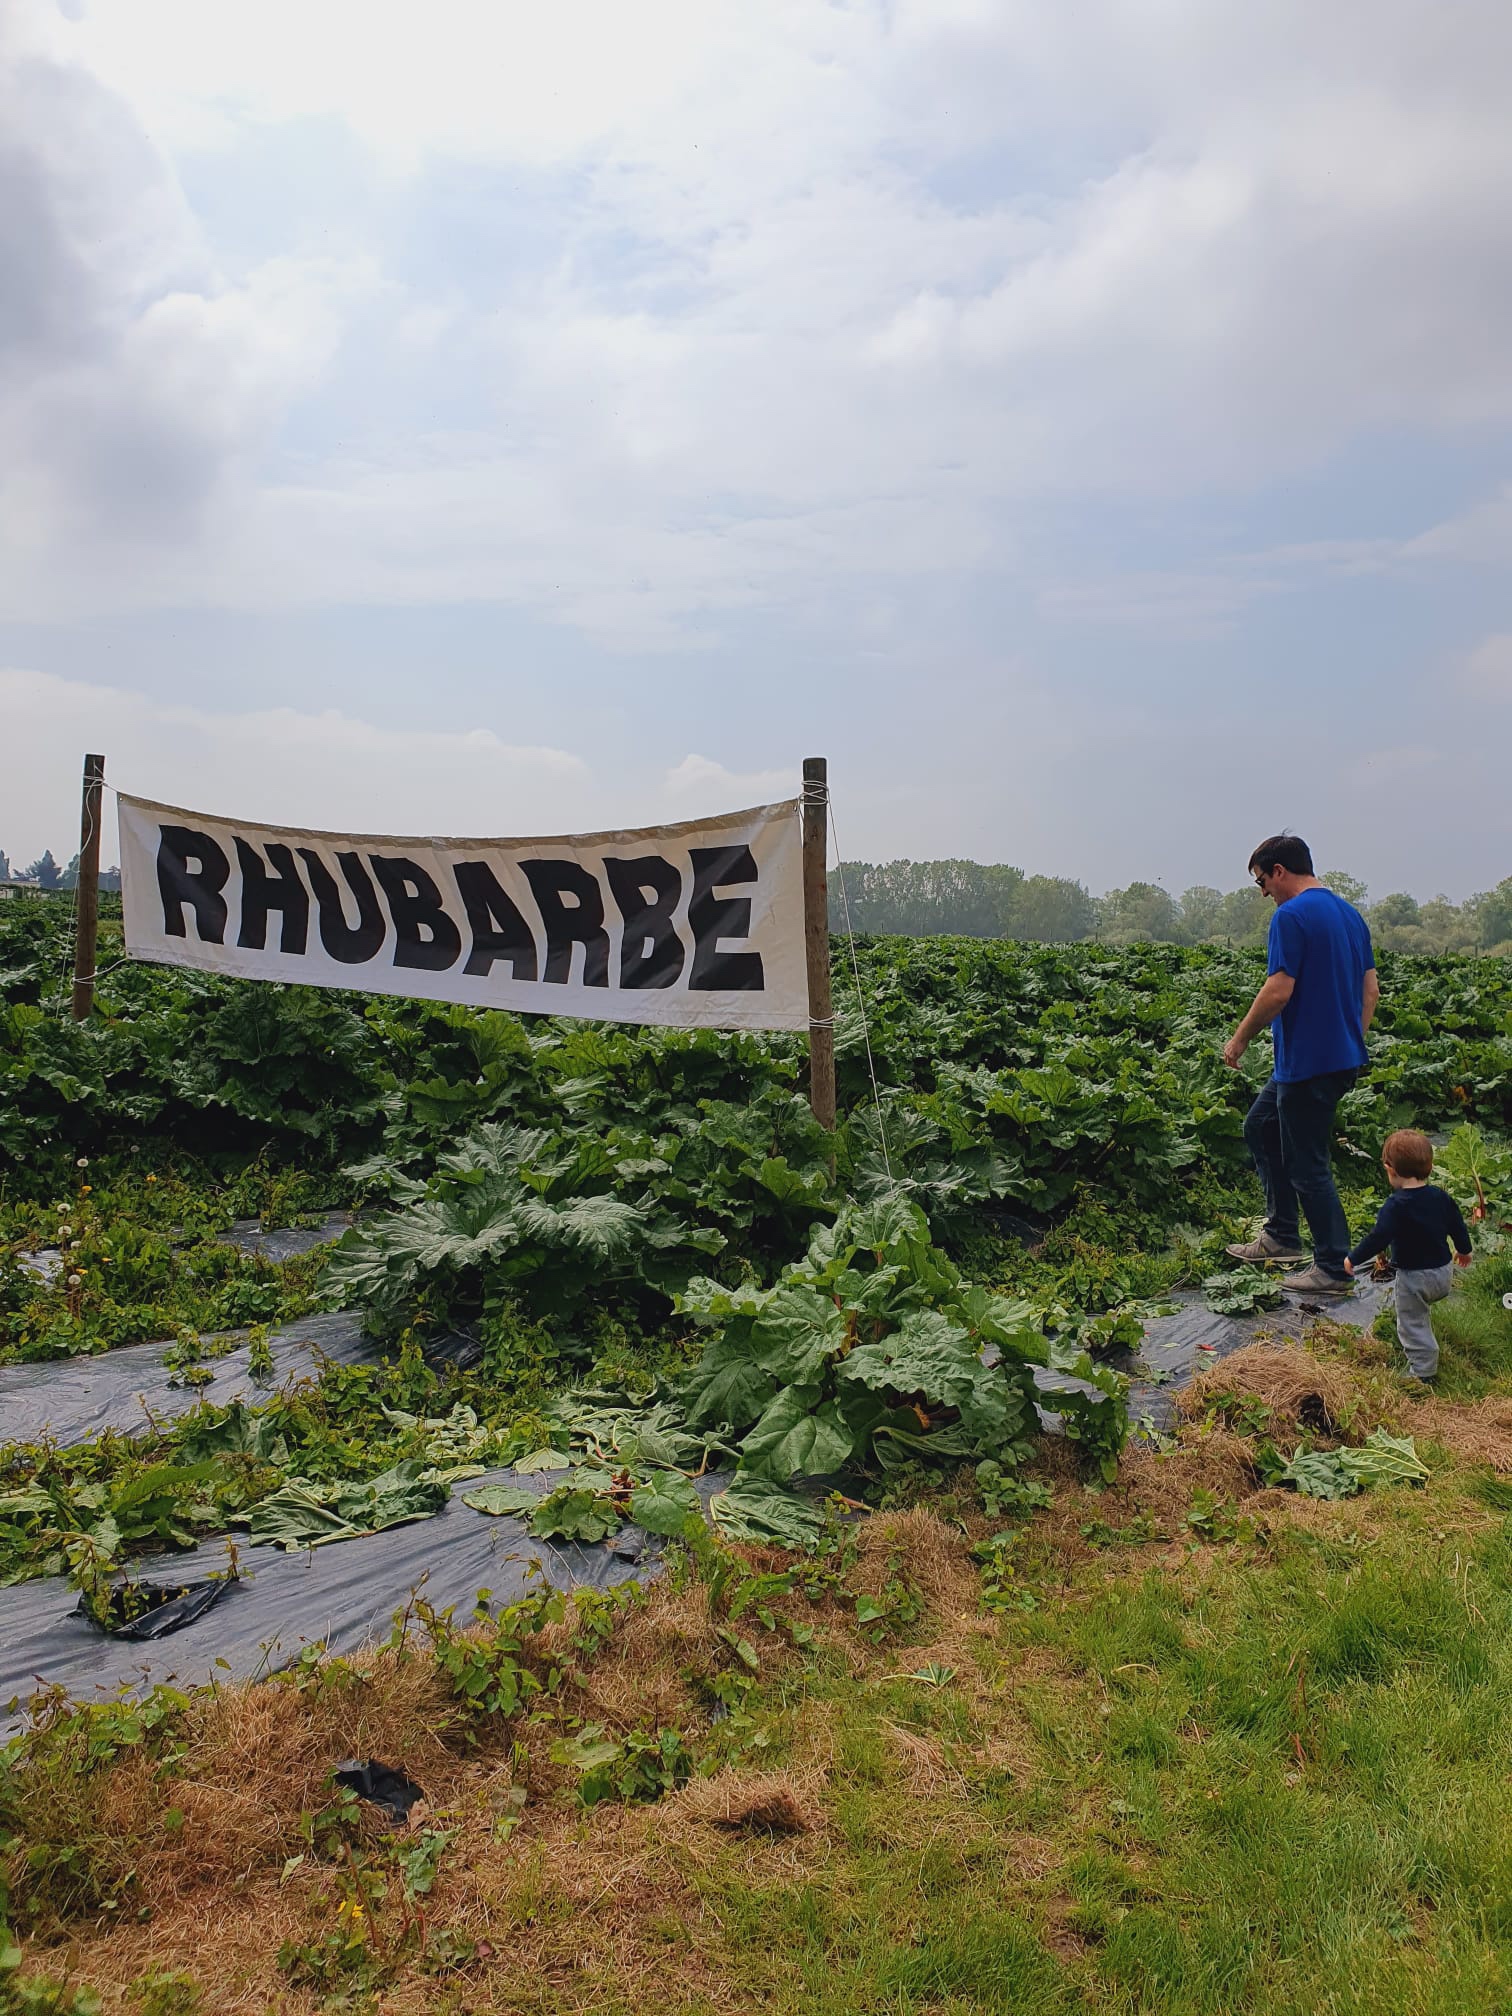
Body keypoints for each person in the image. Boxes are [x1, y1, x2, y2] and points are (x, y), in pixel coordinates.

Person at [1222, 833, 1378, 1294]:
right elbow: (1371, 991)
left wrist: (1239, 1038)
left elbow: (1278, 990)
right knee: (1260, 1127)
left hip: (1308, 1063)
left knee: (1308, 1164)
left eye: (1261, 882)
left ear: (1280, 872)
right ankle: (1281, 1236)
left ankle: (1332, 1267)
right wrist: (1351, 1040)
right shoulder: (1350, 916)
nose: (1264, 893)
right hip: (1332, 1059)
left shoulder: (1291, 916)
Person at [1344, 1128, 1472, 1380]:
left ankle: (1423, 1372)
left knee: (1412, 1322)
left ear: (1390, 1169)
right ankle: (1425, 1356)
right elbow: (1458, 1225)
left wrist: (1353, 1258)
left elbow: (1377, 1238)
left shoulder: (1395, 1206)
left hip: (1415, 1279)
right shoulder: (1440, 1197)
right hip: (1444, 1274)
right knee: (1420, 1312)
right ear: (1431, 1166)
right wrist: (1465, 1250)